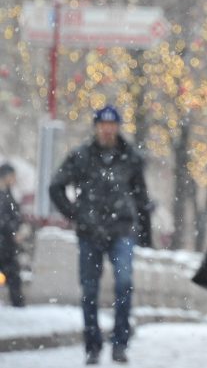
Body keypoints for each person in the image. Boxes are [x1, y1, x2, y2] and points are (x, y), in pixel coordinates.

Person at [49, 105, 153, 365]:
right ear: (96, 127)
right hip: (89, 232)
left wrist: (144, 233)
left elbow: (141, 197)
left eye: (112, 125)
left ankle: (120, 342)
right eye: (102, 125)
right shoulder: (80, 156)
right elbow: (56, 186)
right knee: (89, 290)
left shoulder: (131, 157)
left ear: (118, 127)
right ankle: (92, 345)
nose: (107, 129)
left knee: (124, 283)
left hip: (122, 231)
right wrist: (75, 214)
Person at [0, 162, 25, 307]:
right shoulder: (3, 194)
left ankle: (18, 303)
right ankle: (18, 304)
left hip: (6, 242)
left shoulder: (8, 193)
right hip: (4, 242)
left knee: (13, 274)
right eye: (13, 176)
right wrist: (13, 232)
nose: (15, 179)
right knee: (13, 274)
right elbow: (3, 218)